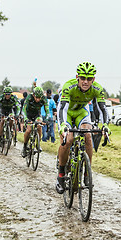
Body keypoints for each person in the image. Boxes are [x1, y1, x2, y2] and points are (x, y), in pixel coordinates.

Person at [56, 62, 111, 194]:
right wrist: (63, 125)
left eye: (89, 78)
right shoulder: (69, 86)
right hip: (67, 113)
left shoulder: (97, 89)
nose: (85, 81)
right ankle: (61, 174)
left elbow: (102, 109)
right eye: (82, 78)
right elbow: (63, 108)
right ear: (77, 77)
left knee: (88, 135)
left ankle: (87, 173)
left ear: (94, 79)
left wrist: (105, 125)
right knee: (67, 140)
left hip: (81, 112)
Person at [21, 86, 49, 158]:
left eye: (39, 97)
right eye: (36, 97)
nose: (38, 99)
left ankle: (38, 144)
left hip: (37, 115)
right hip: (28, 114)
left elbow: (47, 110)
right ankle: (24, 146)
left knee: (39, 125)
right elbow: (23, 109)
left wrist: (46, 119)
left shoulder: (43, 98)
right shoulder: (29, 97)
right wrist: (26, 119)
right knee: (29, 130)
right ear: (33, 95)